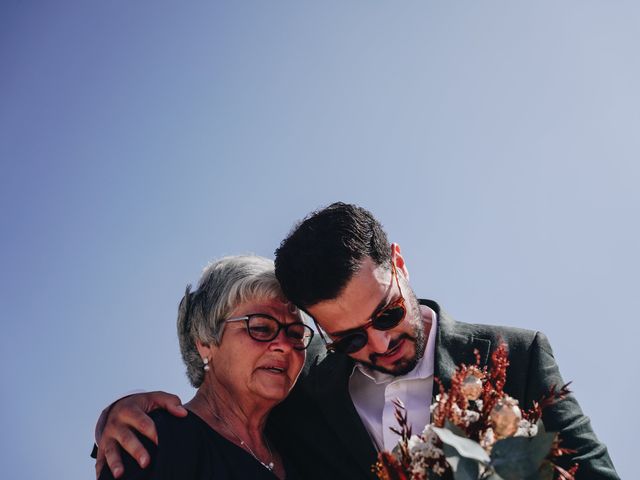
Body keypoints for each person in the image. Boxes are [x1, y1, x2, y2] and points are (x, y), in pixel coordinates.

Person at [94, 203, 619, 480]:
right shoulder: (304, 390)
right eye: (347, 339)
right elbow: (224, 409)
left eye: (388, 313)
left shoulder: (517, 355)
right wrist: (122, 412)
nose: (381, 342)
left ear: (400, 263)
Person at [97, 255, 314, 480]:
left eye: (296, 334)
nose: (285, 346)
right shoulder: (154, 439)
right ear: (205, 341)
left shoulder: (305, 453)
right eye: (260, 328)